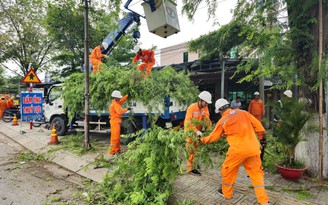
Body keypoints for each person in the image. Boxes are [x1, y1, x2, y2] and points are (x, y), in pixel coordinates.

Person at [199, 99, 270, 205]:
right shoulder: (244, 113)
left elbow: (213, 137)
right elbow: (259, 127)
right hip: (253, 149)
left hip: (238, 150)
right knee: (256, 174)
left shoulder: (222, 120)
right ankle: (263, 201)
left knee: (228, 170)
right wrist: (262, 139)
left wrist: (201, 138)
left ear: (220, 110)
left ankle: (226, 193)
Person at [184, 91, 212, 176]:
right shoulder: (191, 108)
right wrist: (196, 131)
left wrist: (209, 129)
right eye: (206, 102)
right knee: (190, 150)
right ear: (201, 100)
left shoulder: (205, 108)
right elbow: (188, 122)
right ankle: (190, 168)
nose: (206, 104)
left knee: (196, 149)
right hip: (190, 132)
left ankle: (194, 163)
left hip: (198, 133)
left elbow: (207, 118)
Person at [109, 90, 130, 156]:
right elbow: (119, 111)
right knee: (115, 137)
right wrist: (127, 109)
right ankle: (113, 152)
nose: (120, 98)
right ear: (115, 97)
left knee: (117, 137)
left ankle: (117, 150)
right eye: (119, 97)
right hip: (115, 122)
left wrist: (126, 96)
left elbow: (121, 101)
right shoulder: (115, 104)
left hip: (115, 121)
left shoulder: (116, 102)